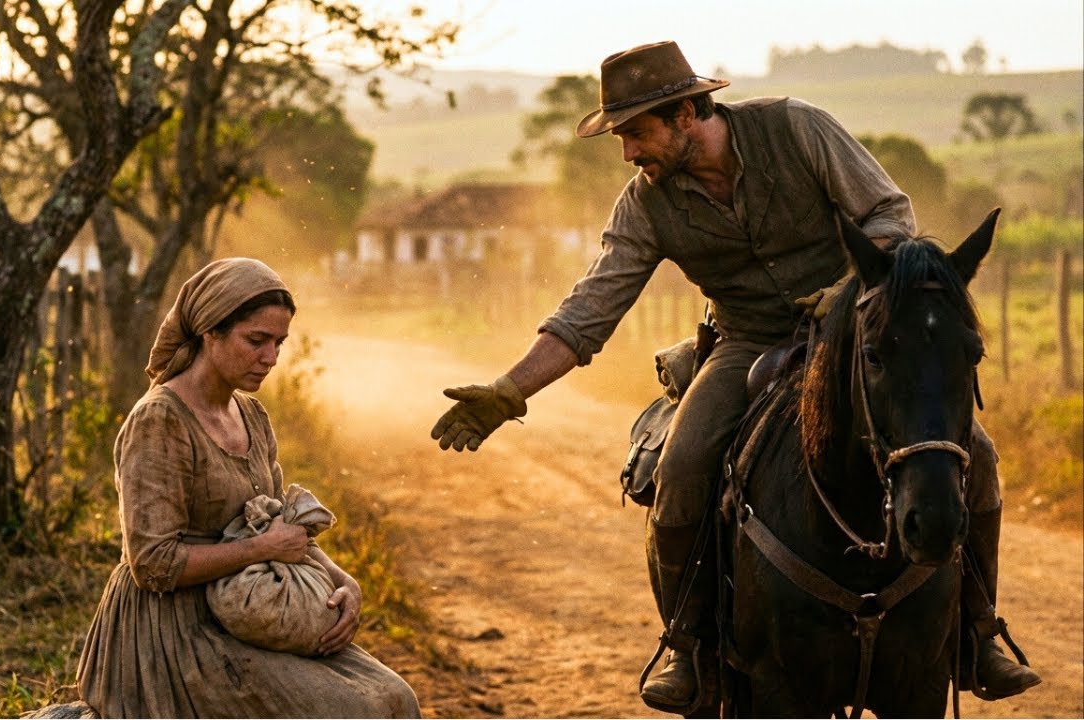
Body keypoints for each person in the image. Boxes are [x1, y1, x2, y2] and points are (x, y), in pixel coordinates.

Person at [429, 40, 1038, 712]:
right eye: (622, 138)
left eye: (636, 132)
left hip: (856, 329)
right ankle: (688, 648)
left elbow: (889, 215)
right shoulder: (646, 204)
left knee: (972, 454)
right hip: (746, 341)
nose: (629, 152)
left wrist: (844, 300)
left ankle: (978, 634)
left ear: (687, 114)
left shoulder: (797, 128)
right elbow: (588, 310)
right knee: (682, 467)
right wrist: (507, 393)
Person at [77, 257, 420, 718]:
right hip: (174, 632)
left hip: (256, 608)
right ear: (209, 333)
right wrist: (261, 549)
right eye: (255, 340)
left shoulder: (252, 417)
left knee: (397, 698)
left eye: (278, 343)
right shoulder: (160, 420)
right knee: (352, 711)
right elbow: (153, 565)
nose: (270, 358)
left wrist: (344, 580)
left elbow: (280, 528)